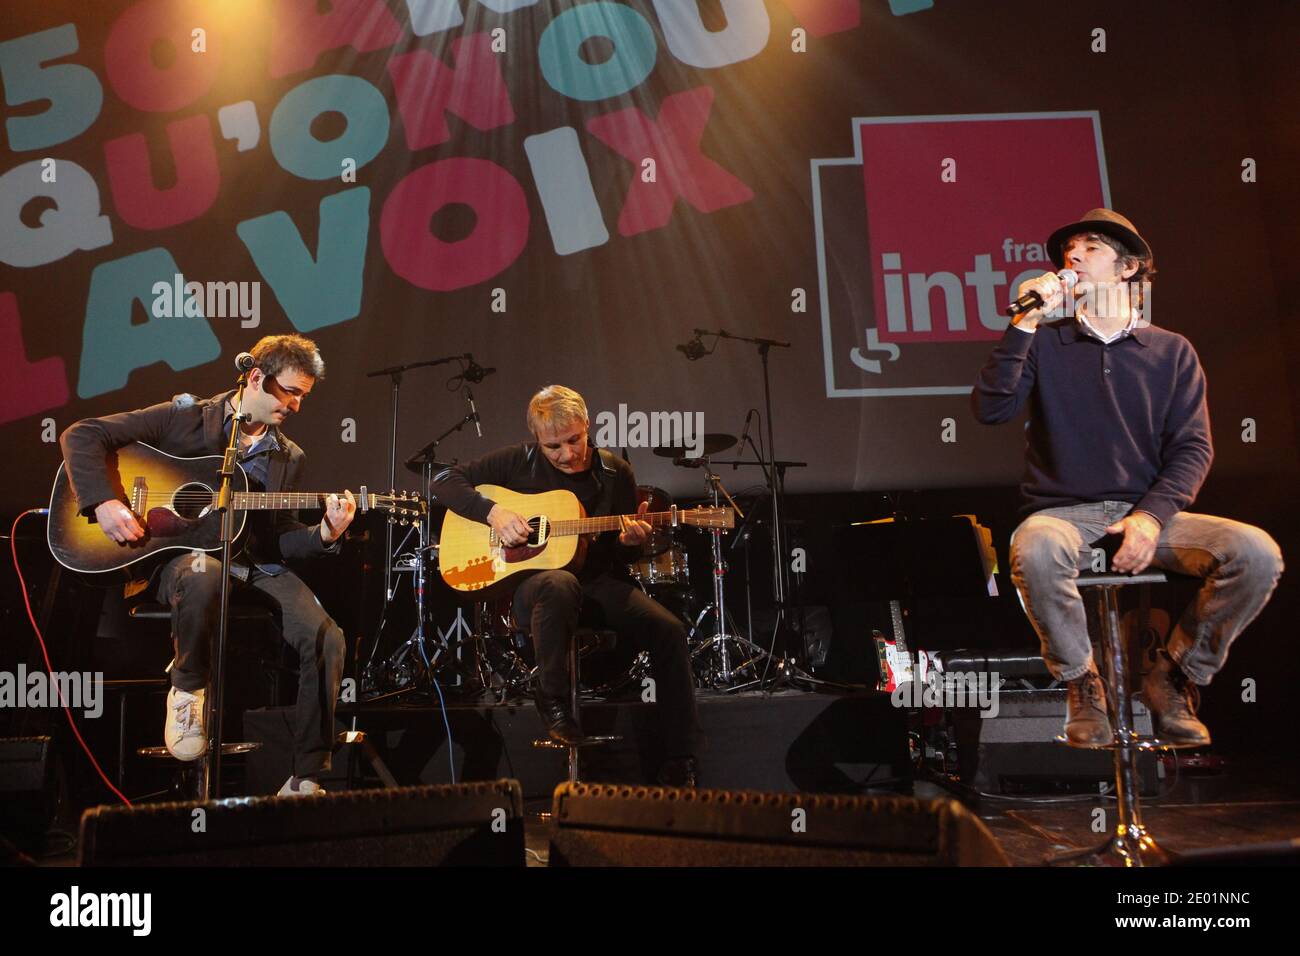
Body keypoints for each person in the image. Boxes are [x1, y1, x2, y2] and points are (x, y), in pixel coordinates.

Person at [972, 209, 1283, 746]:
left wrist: (1148, 517)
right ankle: (1082, 683)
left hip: (1149, 512)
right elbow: (991, 409)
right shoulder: (1047, 343)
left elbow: (1191, 449)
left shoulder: (1170, 351)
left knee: (1255, 553)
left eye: (1090, 248)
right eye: (1068, 250)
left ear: (1128, 268)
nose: (1072, 257)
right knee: (1036, 547)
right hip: (1062, 513)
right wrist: (1024, 323)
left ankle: (1174, 675)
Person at [60, 334, 354, 796]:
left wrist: (324, 534)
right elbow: (82, 434)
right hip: (176, 560)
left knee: (326, 636)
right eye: (291, 392)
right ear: (257, 377)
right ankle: (187, 690)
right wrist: (103, 502)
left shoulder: (289, 456)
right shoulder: (187, 419)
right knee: (204, 573)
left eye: (304, 396)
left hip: (251, 565)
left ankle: (306, 775)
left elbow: (278, 538)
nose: (297, 406)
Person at [433, 385, 703, 786]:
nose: (567, 454)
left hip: (596, 583)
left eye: (574, 440)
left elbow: (620, 556)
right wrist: (494, 513)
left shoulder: (615, 473)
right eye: (553, 446)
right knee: (558, 583)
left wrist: (631, 543)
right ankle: (552, 700)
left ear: (587, 426)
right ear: (538, 442)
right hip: (534, 590)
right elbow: (442, 479)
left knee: (669, 630)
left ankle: (681, 759)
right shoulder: (517, 461)